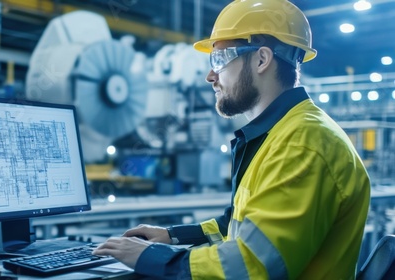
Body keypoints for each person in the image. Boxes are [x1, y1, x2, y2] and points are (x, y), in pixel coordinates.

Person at [93, 0, 371, 279]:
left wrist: (151, 258)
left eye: (220, 60)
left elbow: (250, 265)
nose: (210, 75)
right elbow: (243, 226)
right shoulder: (283, 133)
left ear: (262, 60)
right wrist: (171, 236)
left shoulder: (302, 144)